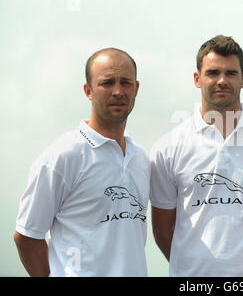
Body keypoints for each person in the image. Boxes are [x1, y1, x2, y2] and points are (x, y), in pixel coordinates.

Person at [150, 35, 243, 276]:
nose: (222, 81)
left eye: (231, 73)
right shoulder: (167, 147)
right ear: (197, 79)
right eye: (212, 73)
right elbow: (163, 231)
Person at [14, 48, 150, 276]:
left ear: (136, 89)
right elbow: (27, 236)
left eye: (125, 83)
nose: (118, 91)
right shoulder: (62, 156)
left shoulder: (141, 159)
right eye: (107, 83)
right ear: (88, 90)